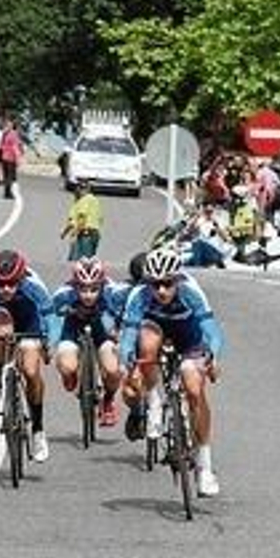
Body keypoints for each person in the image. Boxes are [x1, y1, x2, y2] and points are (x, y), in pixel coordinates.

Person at [119, 247, 225, 498]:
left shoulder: (191, 291)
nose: (161, 291)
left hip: (189, 335)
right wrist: (128, 360)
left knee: (193, 389)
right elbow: (128, 336)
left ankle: (205, 467)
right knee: (146, 344)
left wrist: (213, 355)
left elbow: (212, 330)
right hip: (155, 328)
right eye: (155, 285)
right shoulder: (140, 295)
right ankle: (154, 400)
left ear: (177, 279)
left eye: (167, 284)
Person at [0, 249, 57, 462]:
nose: (6, 289)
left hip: (29, 316)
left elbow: (50, 318)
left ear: (21, 278)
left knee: (31, 371)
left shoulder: (34, 285)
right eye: (0, 284)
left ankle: (38, 431)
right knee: (3, 333)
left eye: (12, 283)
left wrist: (48, 343)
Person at [49, 257, 128, 428]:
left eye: (94, 290)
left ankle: (108, 401)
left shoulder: (112, 292)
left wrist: (118, 333)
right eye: (83, 289)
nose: (88, 295)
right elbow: (51, 316)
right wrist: (52, 343)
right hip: (72, 328)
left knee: (113, 370)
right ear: (75, 286)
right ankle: (70, 374)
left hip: (102, 329)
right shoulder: (64, 294)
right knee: (68, 366)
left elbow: (123, 316)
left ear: (101, 285)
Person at [61, 179, 103, 259]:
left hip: (84, 234)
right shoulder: (95, 200)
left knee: (76, 260)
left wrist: (74, 233)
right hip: (95, 234)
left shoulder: (82, 201)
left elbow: (81, 218)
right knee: (89, 259)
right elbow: (100, 219)